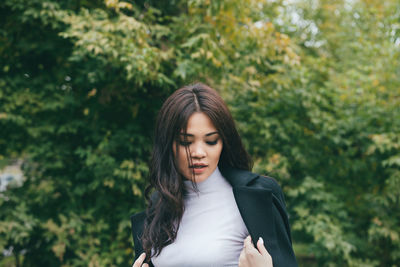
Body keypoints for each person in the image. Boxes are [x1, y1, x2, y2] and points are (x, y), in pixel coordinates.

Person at [131, 83, 298, 267]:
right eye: (186, 142)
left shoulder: (255, 197)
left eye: (211, 141)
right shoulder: (159, 204)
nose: (199, 152)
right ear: (168, 144)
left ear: (223, 143)